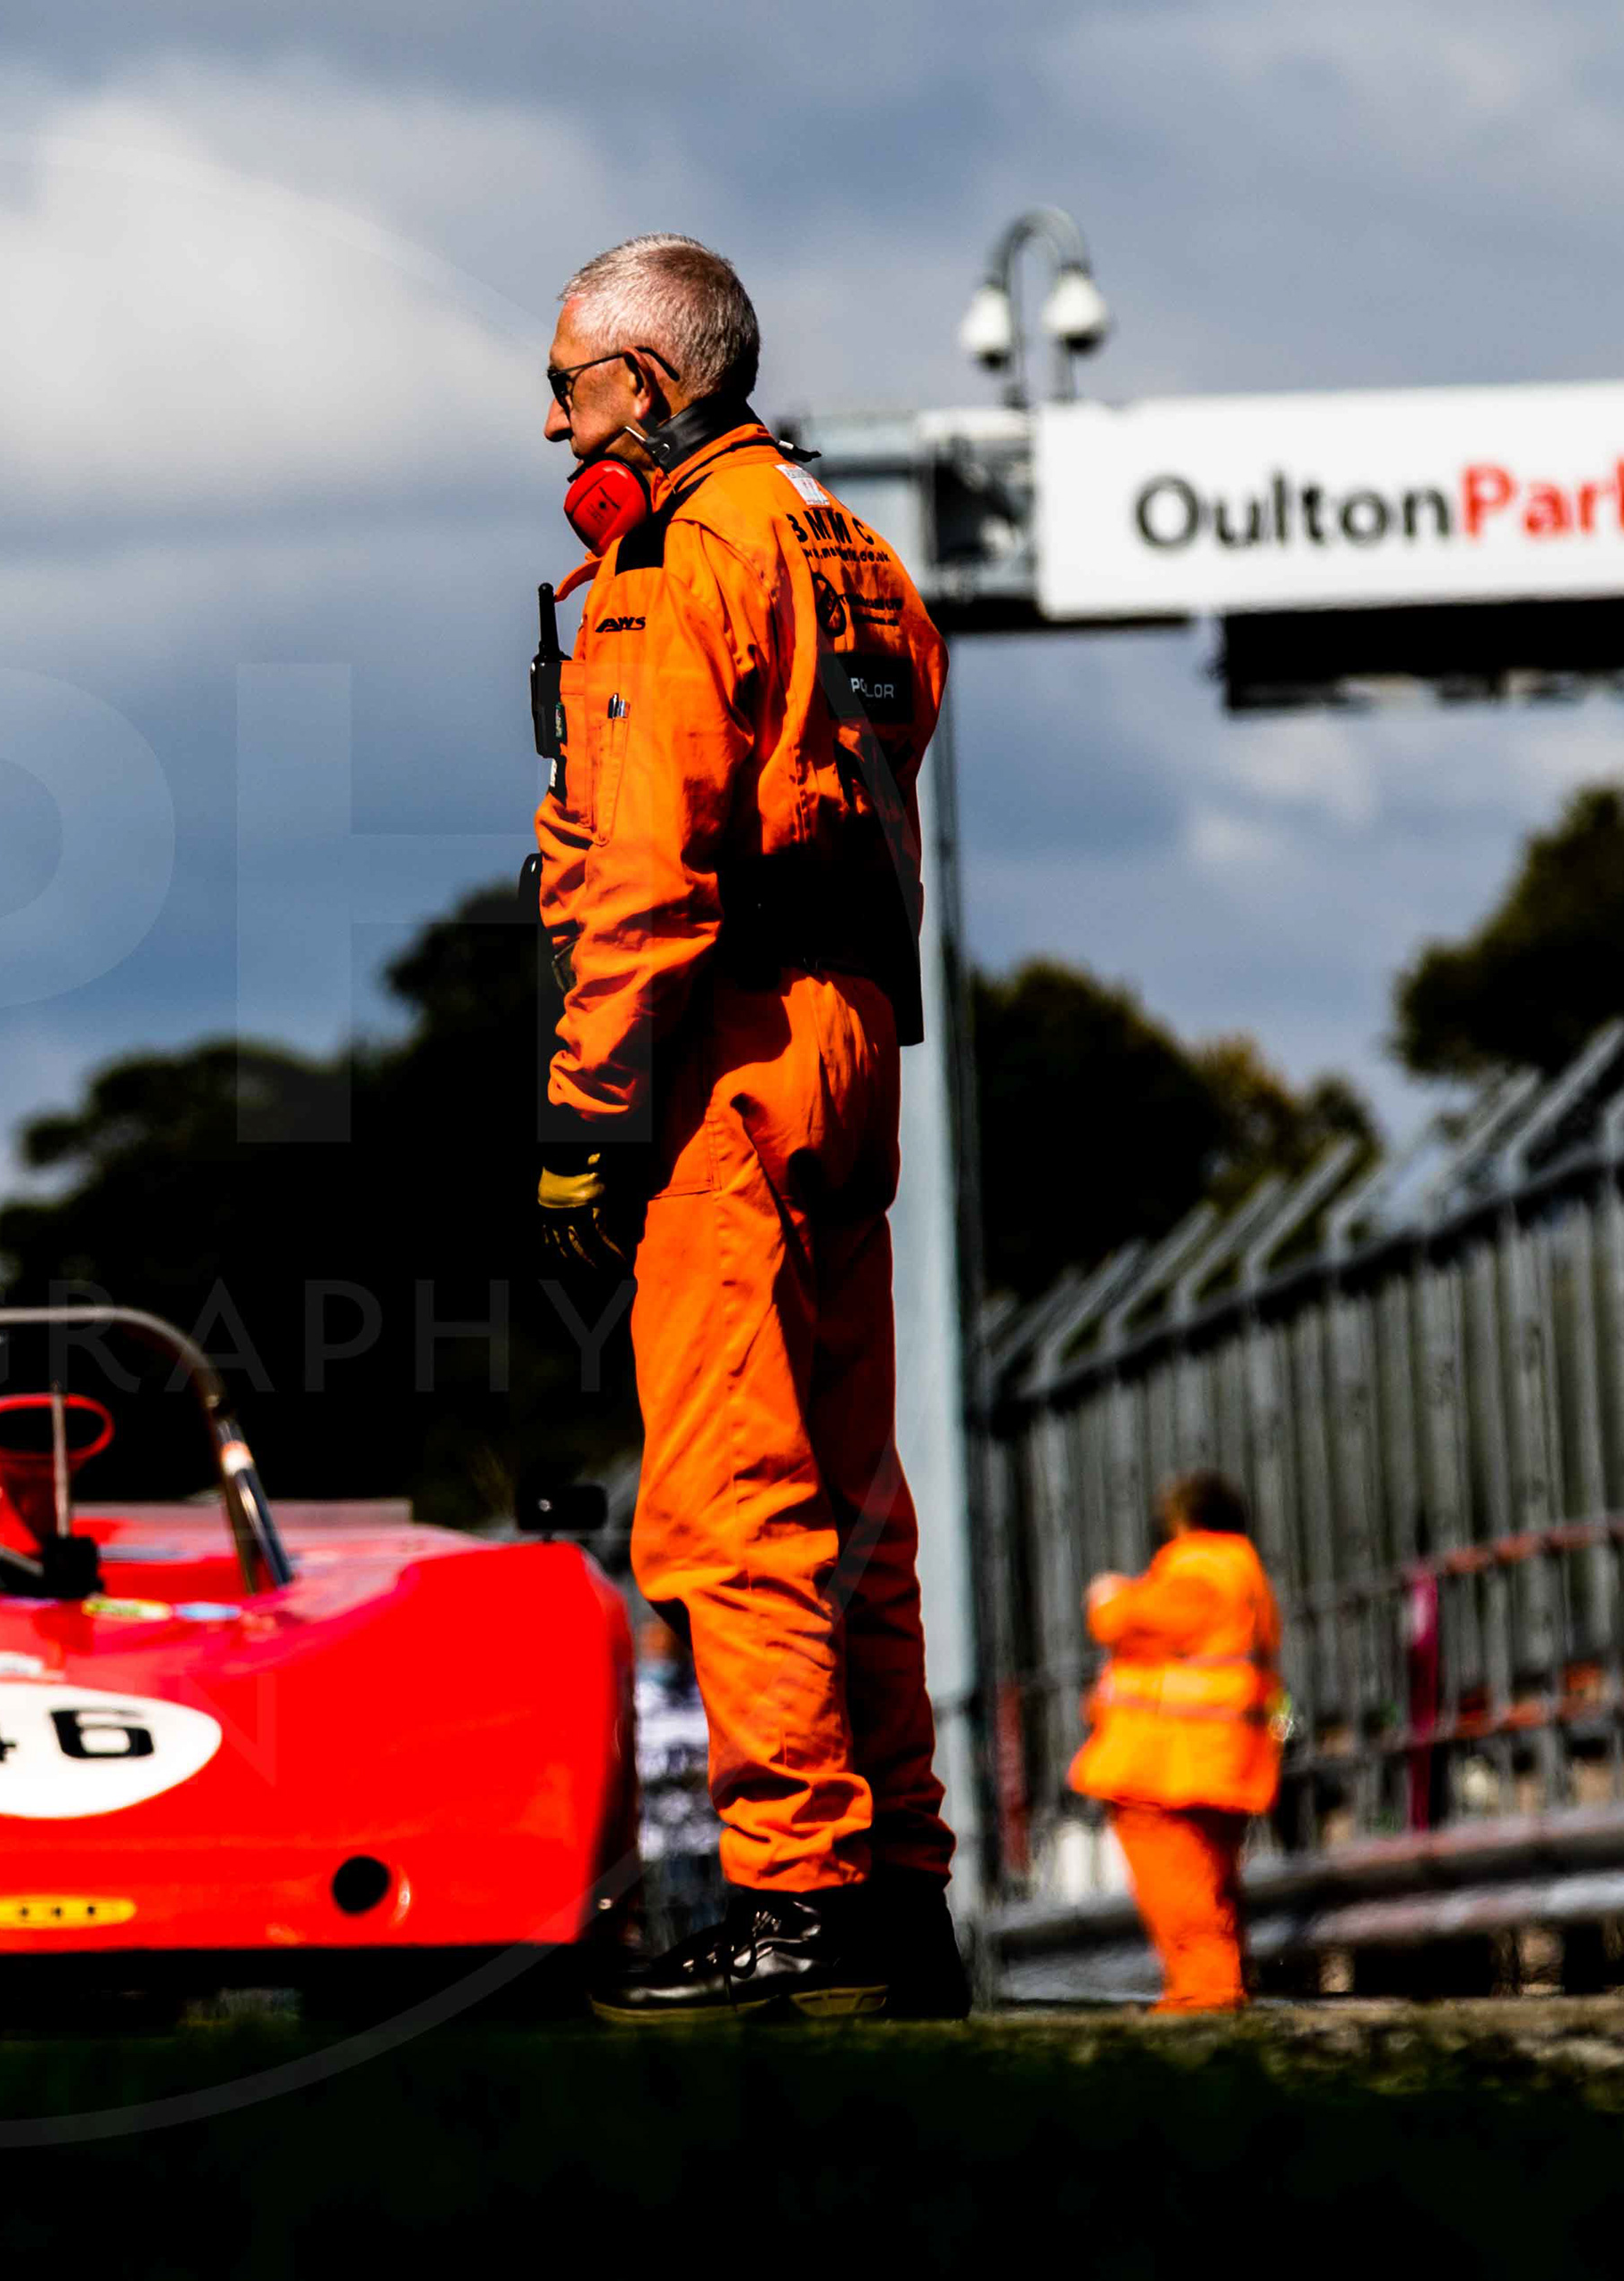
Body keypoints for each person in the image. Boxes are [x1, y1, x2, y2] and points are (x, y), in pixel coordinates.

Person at [527, 239, 962, 2024]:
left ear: (648, 381)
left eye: (568, 382)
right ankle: (905, 1888)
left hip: (727, 1043)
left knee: (728, 1494)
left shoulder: (670, 557)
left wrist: (583, 1111)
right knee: (860, 1490)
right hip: (855, 1032)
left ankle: (798, 1896)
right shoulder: (849, 540)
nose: (550, 417)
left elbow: (642, 863)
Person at [1070, 1469, 1281, 2013]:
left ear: (1184, 1522)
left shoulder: (1201, 1566)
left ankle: (1203, 2009)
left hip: (1165, 1772)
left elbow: (1126, 1620)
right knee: (1210, 1901)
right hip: (1214, 1765)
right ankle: (1212, 2000)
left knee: (1185, 1907)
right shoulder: (1245, 1574)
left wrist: (1107, 1594)